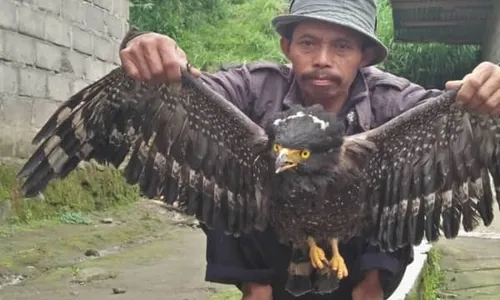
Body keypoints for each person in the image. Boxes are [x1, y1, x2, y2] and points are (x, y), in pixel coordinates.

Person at [118, 0, 500, 299]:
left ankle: (370, 288)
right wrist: (147, 52)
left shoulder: (394, 101)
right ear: (287, 47)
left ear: (364, 56)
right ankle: (256, 289)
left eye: (341, 46)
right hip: (270, 238)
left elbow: (463, 119)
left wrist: (490, 99)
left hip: (356, 238)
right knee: (231, 158)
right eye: (307, 42)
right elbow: (186, 94)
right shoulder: (253, 87)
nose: (322, 59)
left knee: (393, 172)